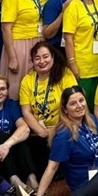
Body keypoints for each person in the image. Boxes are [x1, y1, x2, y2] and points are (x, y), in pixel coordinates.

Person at [18, 40, 78, 181]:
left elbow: (73, 105)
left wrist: (54, 130)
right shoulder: (28, 80)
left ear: (53, 57)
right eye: (37, 58)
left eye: (45, 57)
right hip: (38, 130)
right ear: (32, 61)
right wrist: (41, 131)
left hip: (63, 126)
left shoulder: (65, 75)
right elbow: (26, 111)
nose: (42, 61)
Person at [1, 0, 45, 97]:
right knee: (18, 86)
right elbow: (6, 29)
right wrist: (12, 57)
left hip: (39, 42)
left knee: (36, 86)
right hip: (20, 46)